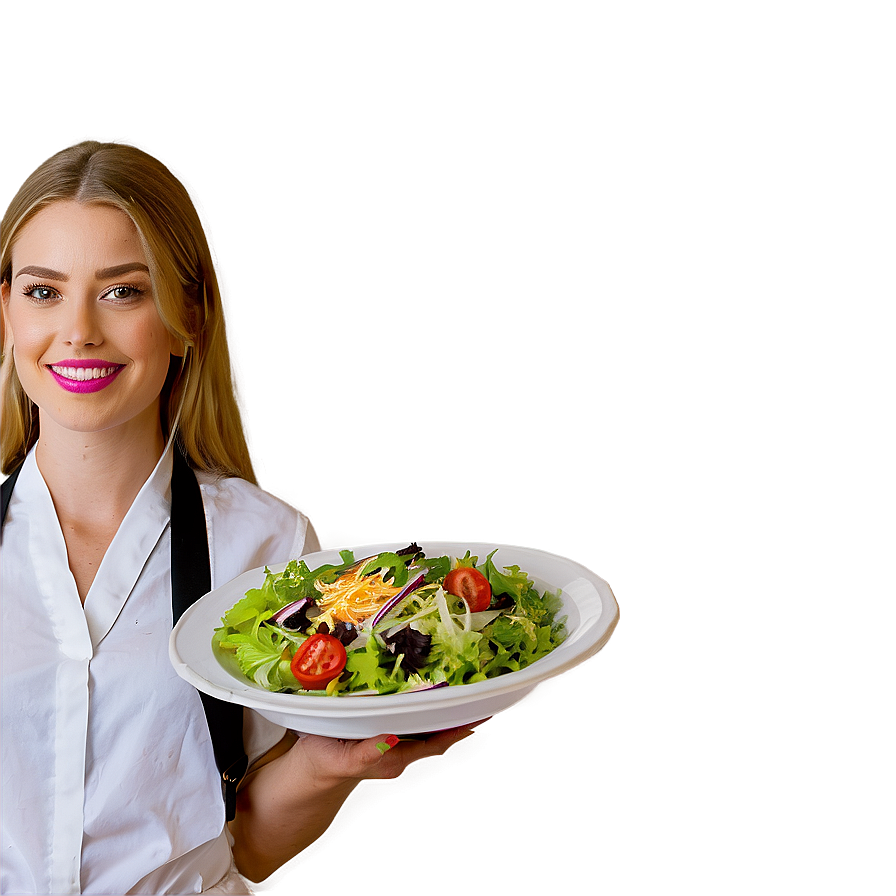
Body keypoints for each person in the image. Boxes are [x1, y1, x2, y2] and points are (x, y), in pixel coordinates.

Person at [0, 141, 481, 896]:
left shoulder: (266, 546)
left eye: (124, 292)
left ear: (186, 315)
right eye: (43, 292)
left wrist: (330, 763)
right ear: (6, 312)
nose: (79, 332)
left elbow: (243, 847)